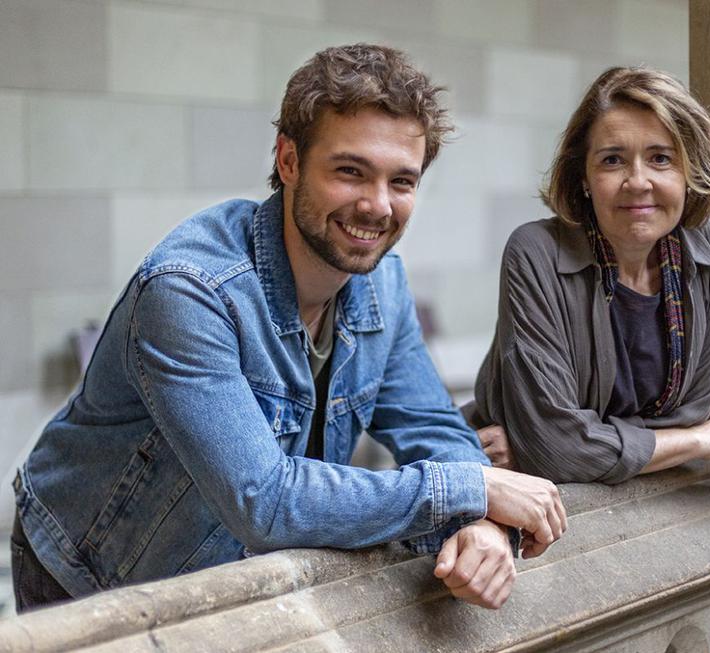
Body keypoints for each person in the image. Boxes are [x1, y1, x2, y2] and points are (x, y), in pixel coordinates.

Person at [11, 44, 566, 613]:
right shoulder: (190, 291)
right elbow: (264, 500)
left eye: (402, 181)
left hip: (230, 572)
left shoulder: (384, 283)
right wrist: (472, 489)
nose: (377, 206)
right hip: (91, 572)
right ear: (288, 160)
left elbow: (428, 422)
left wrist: (479, 522)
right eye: (351, 171)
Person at [466, 67, 710, 484]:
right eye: (612, 160)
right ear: (584, 177)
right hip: (499, 479)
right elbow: (557, 451)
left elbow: (693, 410)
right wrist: (699, 442)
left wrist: (560, 441)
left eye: (661, 158)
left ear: (689, 172)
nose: (637, 182)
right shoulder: (535, 252)